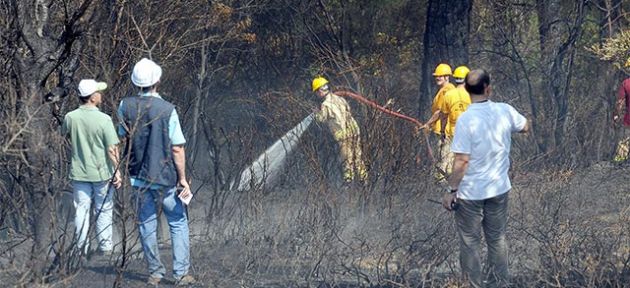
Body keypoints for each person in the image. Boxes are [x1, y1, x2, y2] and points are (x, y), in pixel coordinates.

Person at [442, 69, 529, 288]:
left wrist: (452, 190)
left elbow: (462, 161)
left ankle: (473, 285)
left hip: (470, 194)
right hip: (499, 189)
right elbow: (525, 126)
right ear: (488, 88)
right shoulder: (505, 111)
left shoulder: (465, 120)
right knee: (497, 238)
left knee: (470, 242)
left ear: (467, 91)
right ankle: (499, 283)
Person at [118, 58, 195, 286]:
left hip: (139, 178)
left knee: (146, 223)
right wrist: (182, 179)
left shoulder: (125, 106)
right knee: (178, 223)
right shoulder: (168, 109)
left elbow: (118, 138)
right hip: (168, 178)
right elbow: (177, 147)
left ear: (135, 83)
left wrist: (117, 169)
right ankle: (181, 274)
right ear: (158, 81)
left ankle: (155, 273)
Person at [61, 79, 121, 256]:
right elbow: (112, 148)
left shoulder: (70, 117)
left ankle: (81, 248)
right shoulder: (104, 119)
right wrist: (117, 171)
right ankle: (105, 248)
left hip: (79, 172)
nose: (101, 95)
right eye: (99, 92)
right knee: (104, 209)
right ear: (93, 97)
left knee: (81, 211)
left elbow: (62, 136)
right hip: (102, 172)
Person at [312, 76, 367, 183]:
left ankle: (348, 181)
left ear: (319, 91)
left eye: (316, 92)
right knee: (358, 156)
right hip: (354, 130)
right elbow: (348, 110)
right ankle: (364, 179)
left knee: (347, 158)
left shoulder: (325, 105)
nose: (317, 94)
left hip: (342, 135)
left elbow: (321, 119)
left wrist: (315, 114)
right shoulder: (340, 98)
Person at [422, 63, 455, 182]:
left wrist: (428, 124)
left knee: (444, 161)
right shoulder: (444, 90)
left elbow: (440, 112)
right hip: (443, 131)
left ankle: (442, 186)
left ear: (447, 77)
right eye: (436, 76)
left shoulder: (447, 90)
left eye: (440, 76)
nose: (437, 78)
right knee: (445, 160)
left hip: (445, 132)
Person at [437, 65, 471, 177]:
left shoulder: (449, 95)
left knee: (447, 162)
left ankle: (443, 185)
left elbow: (443, 116)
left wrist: (442, 131)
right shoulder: (472, 96)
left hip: (453, 134)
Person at [613, 59, 630, 162]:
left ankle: (621, 164)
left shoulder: (626, 83)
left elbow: (620, 102)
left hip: (628, 121)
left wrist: (616, 115)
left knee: (624, 146)